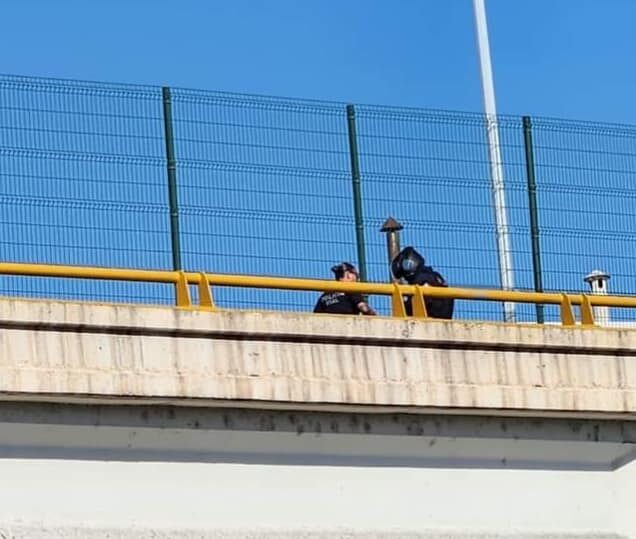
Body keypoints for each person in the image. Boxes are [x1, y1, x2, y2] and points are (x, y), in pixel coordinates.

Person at [391, 246, 454, 319]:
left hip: (430, 319)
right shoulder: (435, 276)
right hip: (444, 318)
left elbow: (411, 307)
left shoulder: (420, 280)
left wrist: (404, 306)